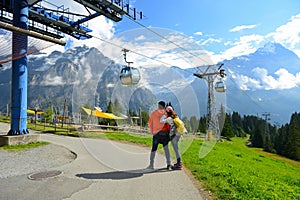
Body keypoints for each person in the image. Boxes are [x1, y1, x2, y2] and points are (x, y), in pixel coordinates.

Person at [147, 101, 172, 170]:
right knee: (166, 150)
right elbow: (168, 125)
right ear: (164, 106)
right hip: (164, 134)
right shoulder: (166, 114)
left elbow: (150, 123)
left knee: (153, 150)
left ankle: (151, 165)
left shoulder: (154, 113)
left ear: (158, 106)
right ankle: (169, 164)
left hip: (156, 134)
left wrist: (152, 132)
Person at [160, 105, 183, 170]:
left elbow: (161, 121)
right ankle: (179, 163)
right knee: (176, 149)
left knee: (176, 150)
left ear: (167, 112)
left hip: (173, 135)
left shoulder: (169, 119)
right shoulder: (176, 117)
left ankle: (179, 164)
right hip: (178, 134)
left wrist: (164, 114)